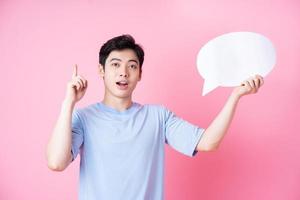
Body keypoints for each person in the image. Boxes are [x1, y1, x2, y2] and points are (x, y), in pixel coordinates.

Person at [46, 34, 264, 200]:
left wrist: (235, 96)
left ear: (140, 74)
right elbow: (56, 162)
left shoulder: (158, 116)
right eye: (115, 64)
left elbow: (208, 142)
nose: (123, 72)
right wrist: (69, 103)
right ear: (101, 71)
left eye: (132, 66)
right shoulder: (84, 118)